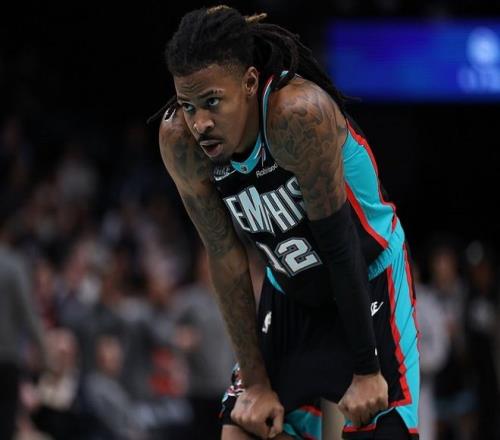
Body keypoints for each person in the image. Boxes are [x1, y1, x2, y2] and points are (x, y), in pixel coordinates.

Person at [154, 5, 419, 439]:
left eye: (212, 102)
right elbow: (224, 257)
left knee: (376, 419)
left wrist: (367, 368)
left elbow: (339, 244)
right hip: (290, 290)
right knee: (244, 427)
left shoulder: (296, 115)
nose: (199, 123)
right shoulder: (180, 142)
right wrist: (256, 383)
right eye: (188, 105)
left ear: (249, 82)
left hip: (367, 275)